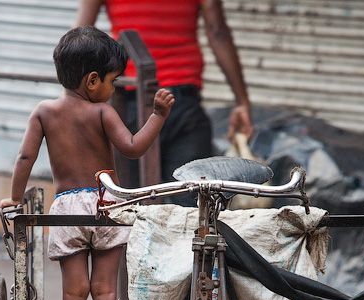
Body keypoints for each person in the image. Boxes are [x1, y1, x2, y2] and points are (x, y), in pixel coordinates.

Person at [0, 27, 175, 300]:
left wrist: (15, 199)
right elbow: (134, 147)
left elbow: (24, 159)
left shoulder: (44, 112)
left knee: (74, 291)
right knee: (106, 290)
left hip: (66, 209)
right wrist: (158, 116)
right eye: (112, 81)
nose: (113, 88)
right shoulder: (102, 112)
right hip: (106, 204)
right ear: (93, 81)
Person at [76, 0, 252, 187]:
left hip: (132, 105)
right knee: (190, 201)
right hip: (182, 103)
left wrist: (74, 104)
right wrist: (241, 101)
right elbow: (217, 31)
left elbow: (79, 40)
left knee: (133, 203)